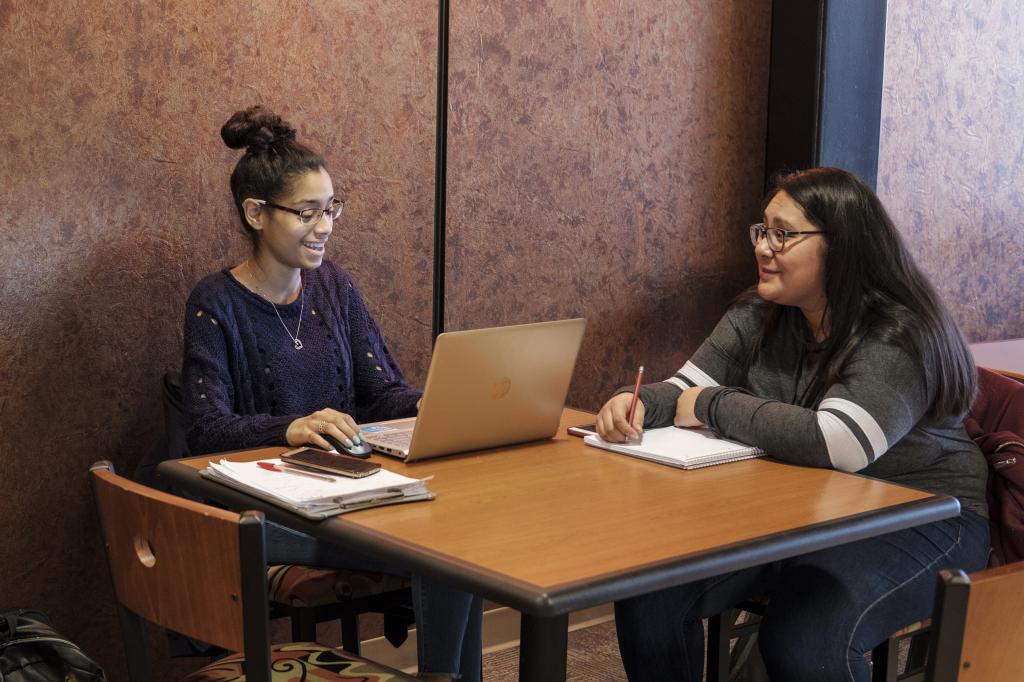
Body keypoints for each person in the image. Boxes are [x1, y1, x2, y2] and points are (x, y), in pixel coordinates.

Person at [597, 167, 990, 682]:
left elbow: (838, 444)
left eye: (784, 234)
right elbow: (680, 391)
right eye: (762, 230)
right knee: (651, 592)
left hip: (926, 515)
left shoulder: (898, 334)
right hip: (804, 511)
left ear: (843, 246)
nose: (764, 247)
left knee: (804, 638)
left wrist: (711, 403)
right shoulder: (761, 312)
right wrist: (637, 401)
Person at [182, 105, 482, 681]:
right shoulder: (214, 302)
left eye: (331, 209)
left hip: (345, 496)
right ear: (255, 213)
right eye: (307, 212)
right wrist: (289, 426)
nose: (325, 226)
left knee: (455, 539)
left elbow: (379, 392)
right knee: (446, 553)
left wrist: (436, 403)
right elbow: (204, 427)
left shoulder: (336, 287)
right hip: (262, 509)